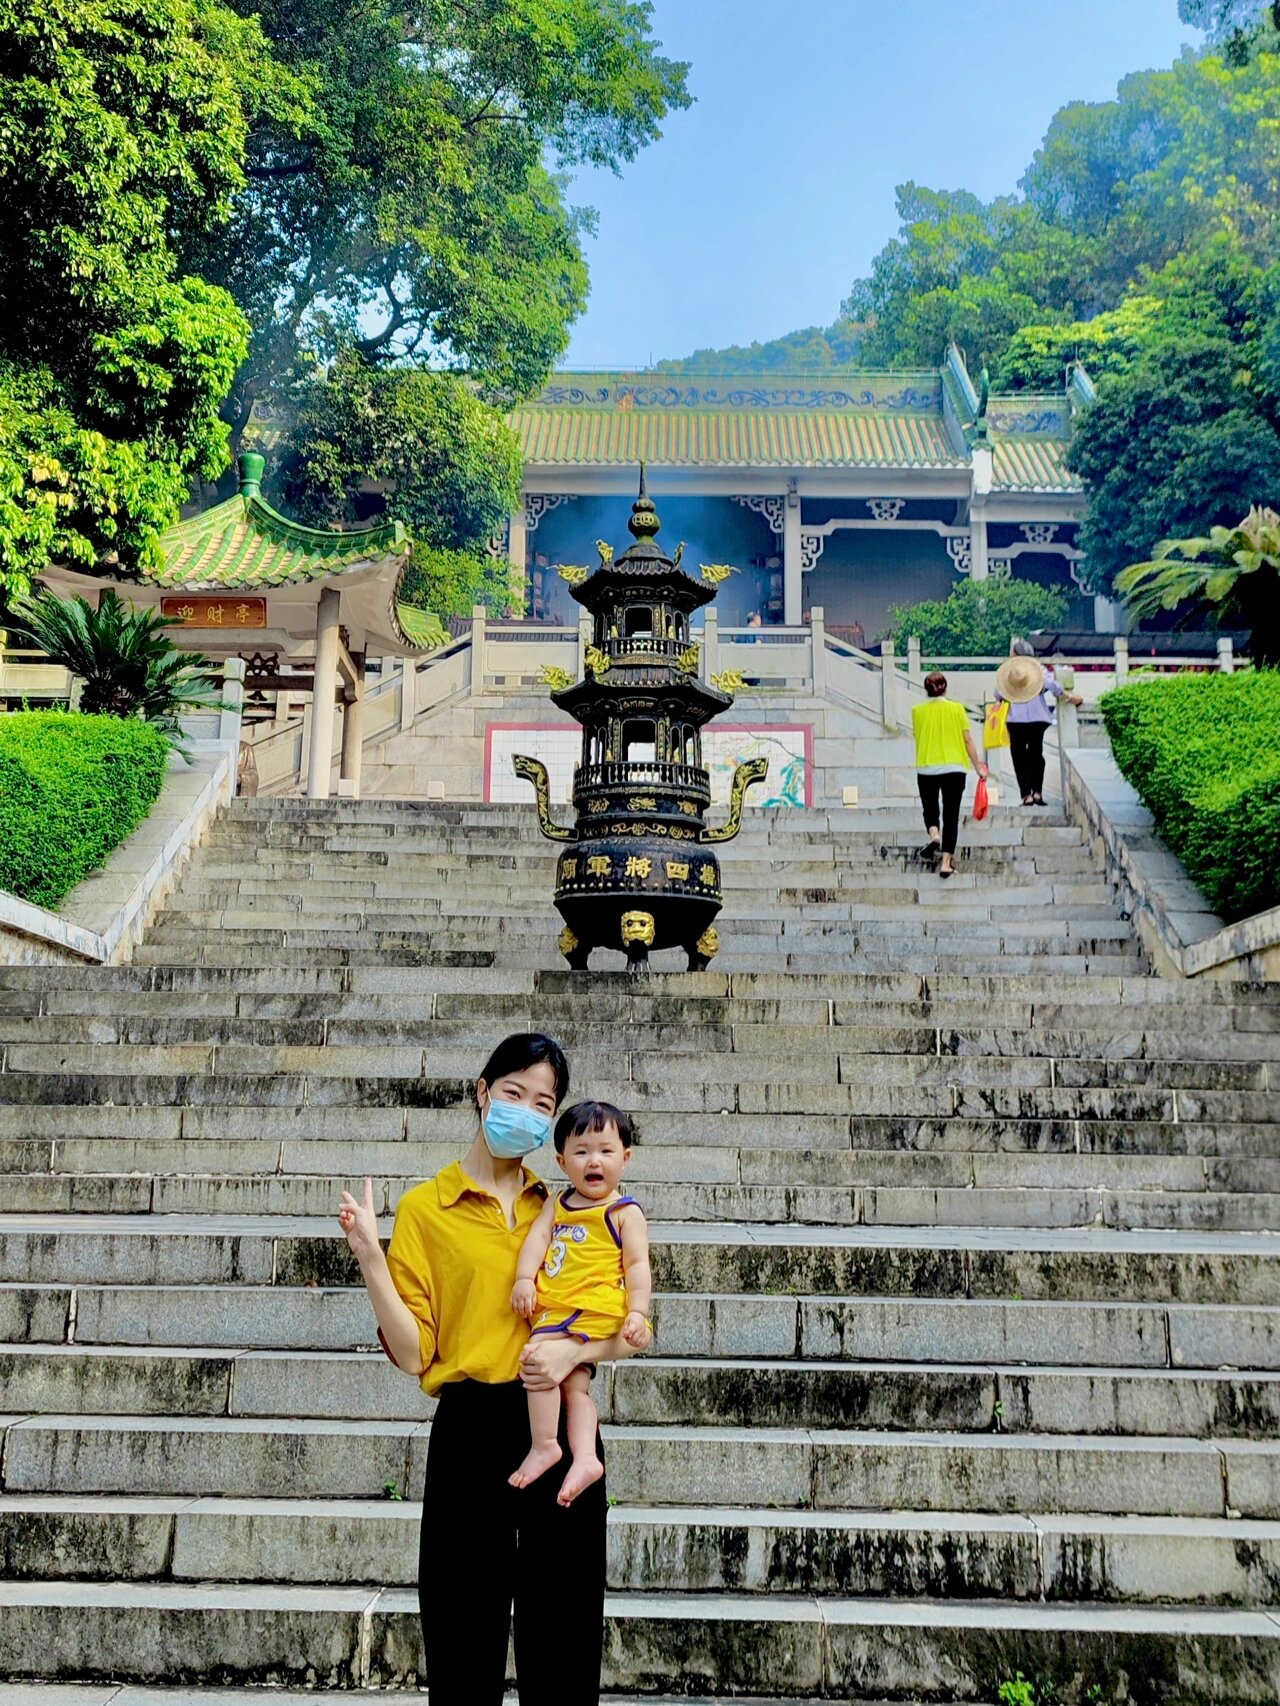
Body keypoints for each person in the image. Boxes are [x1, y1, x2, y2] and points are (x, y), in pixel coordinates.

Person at [336, 1033, 651, 1706]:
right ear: (482, 1093)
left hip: (562, 1432)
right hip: (471, 1427)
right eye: (514, 1093)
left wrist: (577, 1352)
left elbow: (629, 1330)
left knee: (564, 1637)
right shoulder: (427, 1208)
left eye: (545, 1103)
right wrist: (371, 1257)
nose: (528, 1113)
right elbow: (416, 1352)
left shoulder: (567, 1205)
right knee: (461, 1634)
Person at [509, 1100, 651, 1505]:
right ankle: (585, 1456)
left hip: (592, 1307)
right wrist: (524, 1279)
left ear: (625, 1159)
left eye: (606, 1151)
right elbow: (537, 1240)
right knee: (575, 1388)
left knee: (538, 1363)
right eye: (582, 1151)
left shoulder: (624, 1212)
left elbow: (638, 1265)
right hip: (556, 1306)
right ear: (561, 1160)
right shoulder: (557, 1203)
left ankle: (546, 1444)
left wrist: (637, 1312)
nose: (594, 1161)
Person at [910, 671, 989, 879]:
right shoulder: (956, 709)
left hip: (926, 767)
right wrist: (978, 765)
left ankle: (934, 835)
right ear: (945, 687)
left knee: (930, 808)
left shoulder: (917, 711)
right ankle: (946, 863)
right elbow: (968, 740)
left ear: (926, 690)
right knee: (951, 815)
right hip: (954, 768)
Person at [995, 641, 1083, 807]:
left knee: (1019, 757)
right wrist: (1067, 696)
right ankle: (1037, 792)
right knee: (1036, 754)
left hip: (1016, 720)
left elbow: (998, 692)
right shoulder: (1038, 669)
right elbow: (1052, 685)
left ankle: (1026, 795)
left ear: (1014, 653)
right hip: (1038, 718)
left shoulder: (1010, 670)